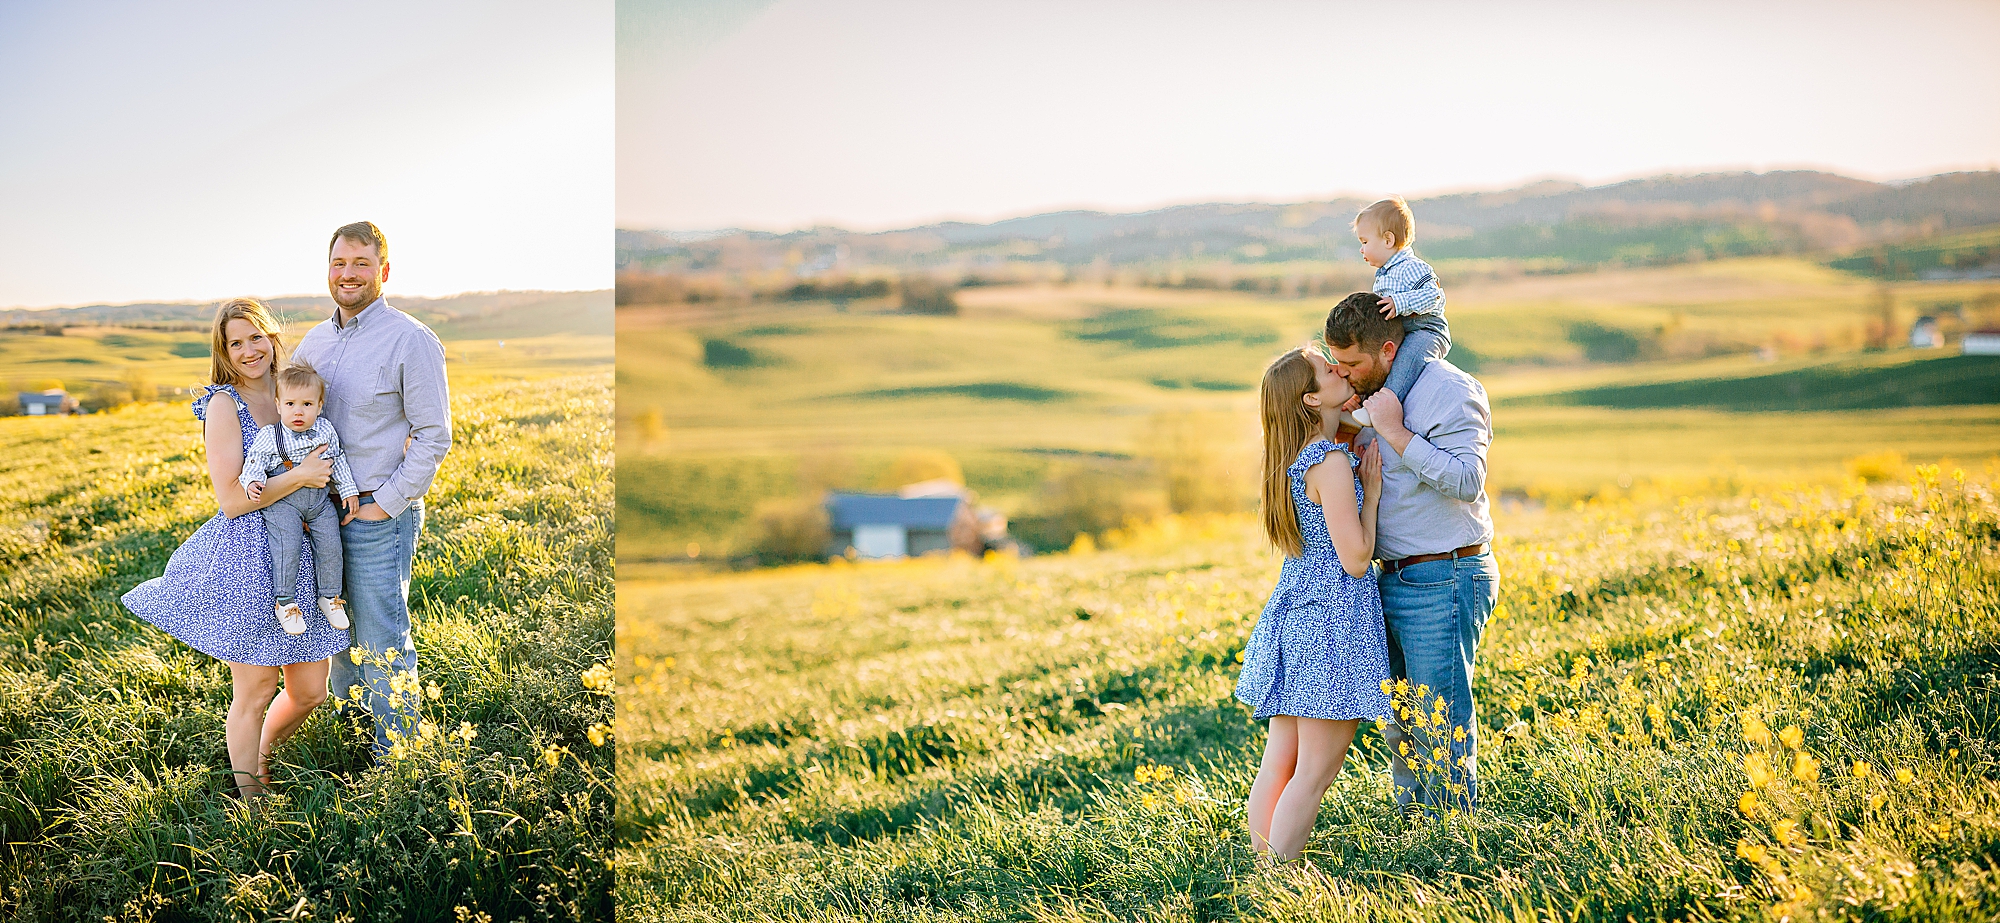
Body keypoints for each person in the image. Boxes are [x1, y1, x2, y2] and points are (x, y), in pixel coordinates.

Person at [122, 298, 349, 798]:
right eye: (236, 342)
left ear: (272, 337)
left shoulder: (296, 391)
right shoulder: (225, 405)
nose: (249, 351)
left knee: (311, 689)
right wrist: (301, 477)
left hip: (302, 554)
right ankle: (254, 803)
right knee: (256, 689)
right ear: (223, 351)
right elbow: (230, 501)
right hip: (248, 557)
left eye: (255, 337)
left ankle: (264, 757)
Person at [1319, 291, 1498, 814]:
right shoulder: (1367, 399)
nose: (1345, 374)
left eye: (1352, 364)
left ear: (1390, 350)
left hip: (1445, 573)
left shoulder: (1450, 391)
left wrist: (1396, 433)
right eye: (1337, 365)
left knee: (1439, 719)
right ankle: (1412, 829)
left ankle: (1451, 844)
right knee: (1402, 722)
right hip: (1390, 580)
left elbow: (1467, 480)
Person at [292, 221, 452, 756]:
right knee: (337, 639)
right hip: (320, 517)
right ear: (328, 271)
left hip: (375, 517)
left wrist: (385, 505)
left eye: (361, 263)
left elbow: (434, 435)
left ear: (383, 271)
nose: (348, 273)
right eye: (339, 263)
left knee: (381, 640)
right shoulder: (313, 342)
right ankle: (355, 746)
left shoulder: (411, 339)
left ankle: (400, 764)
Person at [1235, 347, 1387, 862]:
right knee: (1315, 773)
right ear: (1310, 397)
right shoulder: (1332, 464)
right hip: (1332, 628)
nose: (1339, 370)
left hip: (1293, 618)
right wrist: (1371, 492)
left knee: (1280, 761)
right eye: (1327, 370)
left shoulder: (1289, 460)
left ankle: (1261, 865)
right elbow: (1356, 560)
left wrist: (1345, 416)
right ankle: (1278, 879)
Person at [240, 362, 358, 634]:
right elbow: (255, 462)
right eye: (291, 403)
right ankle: (285, 602)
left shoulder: (326, 430)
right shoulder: (272, 435)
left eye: (307, 404)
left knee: (331, 544)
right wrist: (254, 481)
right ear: (279, 405)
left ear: (319, 406)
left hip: (318, 502)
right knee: (287, 547)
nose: (298, 411)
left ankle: (330, 596)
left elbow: (337, 461)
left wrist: (348, 489)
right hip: (284, 503)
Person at [1341, 196, 1450, 424]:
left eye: (1364, 242)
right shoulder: (1385, 273)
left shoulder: (1410, 268)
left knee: (1407, 360)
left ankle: (1381, 407)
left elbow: (1435, 296)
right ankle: (1361, 400)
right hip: (1402, 331)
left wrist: (1399, 303)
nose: (1361, 250)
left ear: (1388, 239)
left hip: (1426, 331)